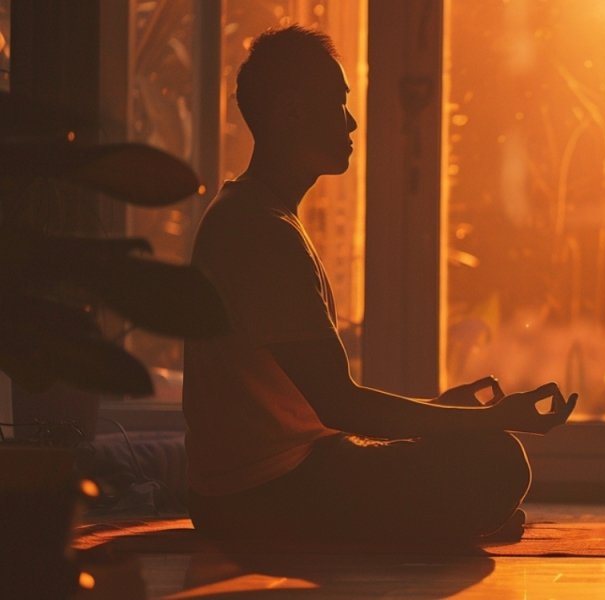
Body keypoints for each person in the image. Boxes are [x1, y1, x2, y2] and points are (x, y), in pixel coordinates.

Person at [183, 25, 577, 545]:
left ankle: (438, 521)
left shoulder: (255, 214)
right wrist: (481, 421)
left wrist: (443, 411)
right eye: (337, 103)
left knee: (479, 454)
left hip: (265, 481)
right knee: (498, 460)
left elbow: (320, 411)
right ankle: (434, 523)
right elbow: (341, 406)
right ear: (292, 112)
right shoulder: (261, 232)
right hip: (260, 497)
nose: (350, 121)